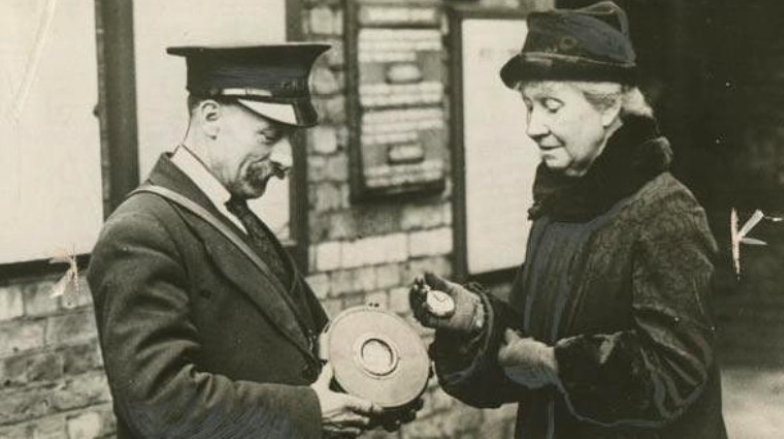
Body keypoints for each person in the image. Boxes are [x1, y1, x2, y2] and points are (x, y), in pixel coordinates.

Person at [409, 2, 728, 438]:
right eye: (528, 106)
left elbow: (673, 371)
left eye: (550, 106)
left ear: (608, 107)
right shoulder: (558, 210)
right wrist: (472, 319)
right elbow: (524, 340)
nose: (533, 126)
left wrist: (552, 364)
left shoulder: (665, 212)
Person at [88, 44, 400, 439]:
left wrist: (375, 390)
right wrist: (308, 413)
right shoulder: (140, 233)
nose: (286, 159)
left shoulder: (230, 213)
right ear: (211, 118)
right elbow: (161, 404)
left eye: (289, 139)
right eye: (270, 136)